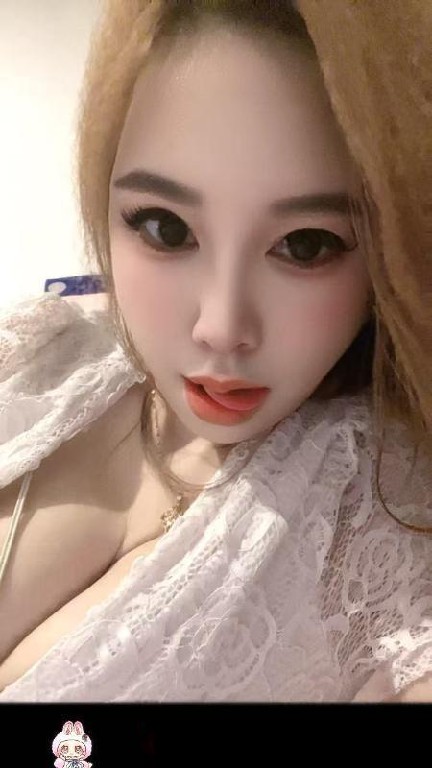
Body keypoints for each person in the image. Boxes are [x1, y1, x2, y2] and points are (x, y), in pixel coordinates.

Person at [0, 0, 431, 702]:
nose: (221, 327)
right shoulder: (44, 356)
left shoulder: (389, 512)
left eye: (306, 244)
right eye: (165, 228)